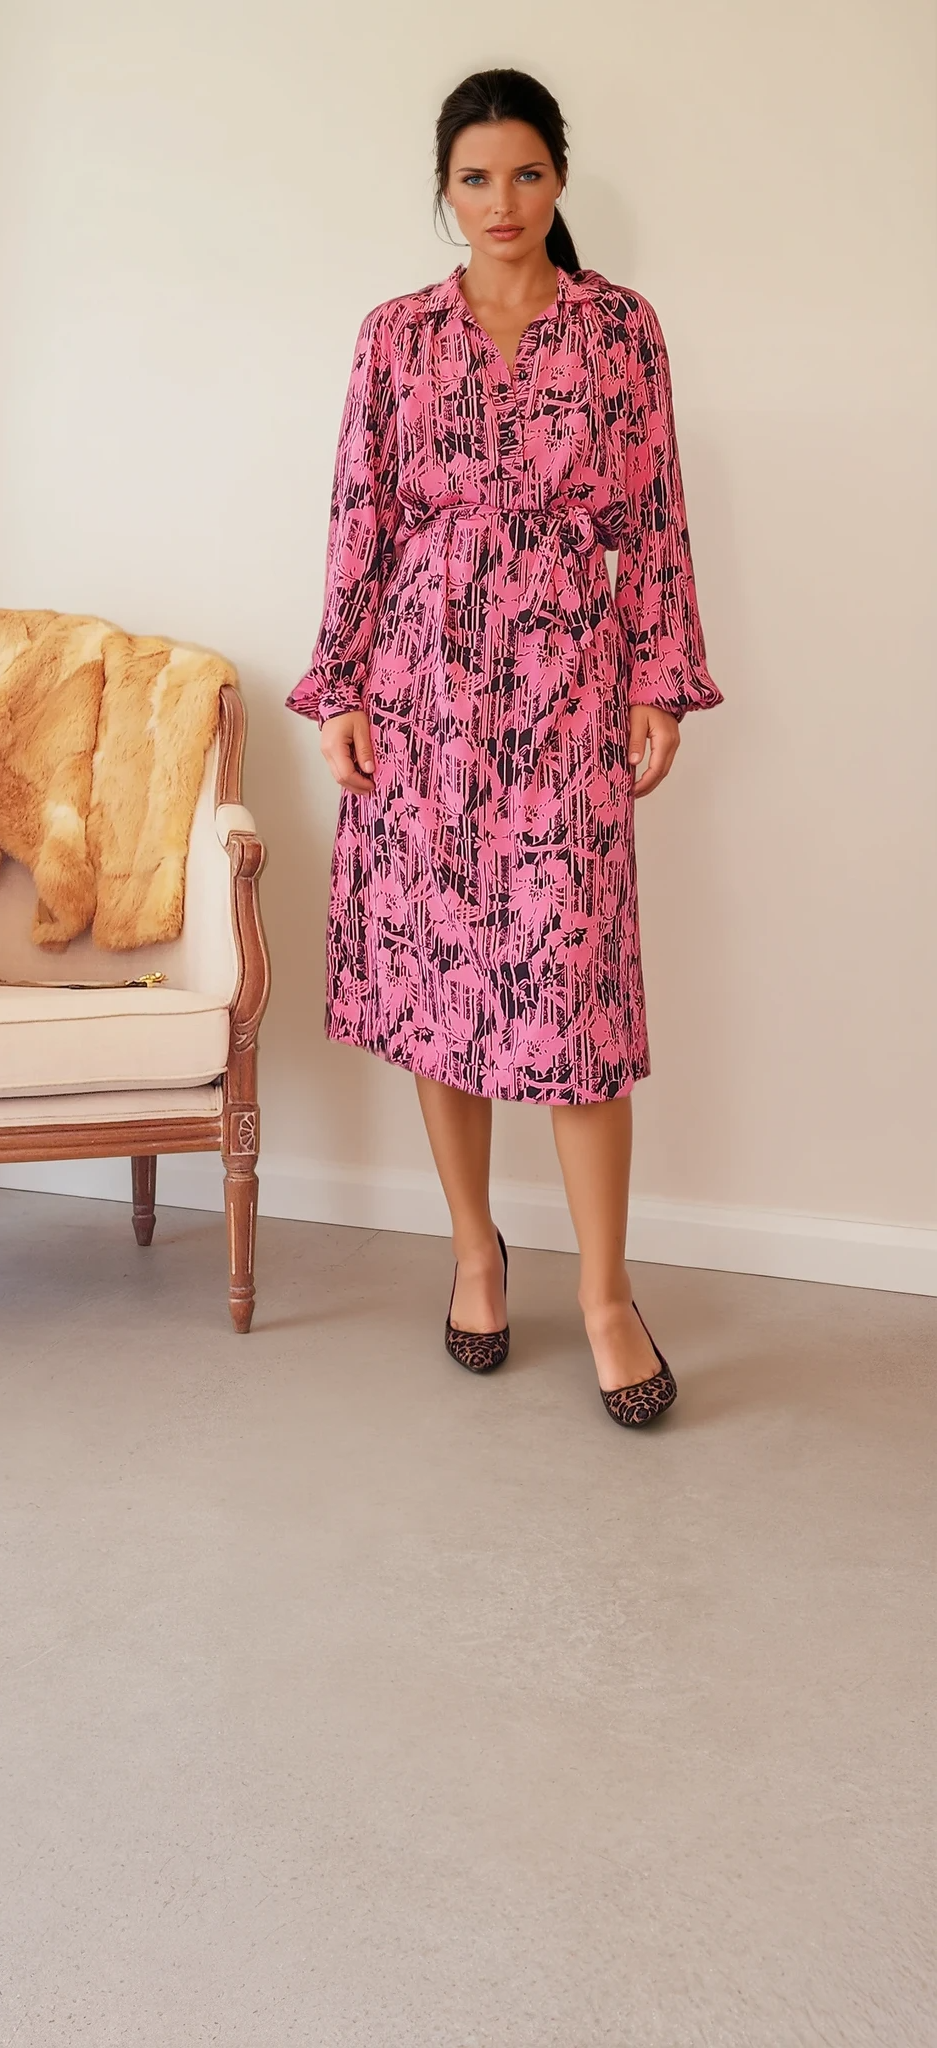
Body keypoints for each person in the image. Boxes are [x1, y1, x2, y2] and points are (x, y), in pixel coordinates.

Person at [286, 67, 723, 1427]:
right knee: (440, 985)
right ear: (444, 189)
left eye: (525, 173)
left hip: (565, 693)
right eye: (475, 178)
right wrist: (341, 683)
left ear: (559, 180)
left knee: (574, 999)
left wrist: (658, 679)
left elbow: (655, 516)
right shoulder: (395, 335)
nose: (502, 201)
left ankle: (605, 1297)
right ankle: (475, 1254)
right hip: (420, 697)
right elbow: (358, 513)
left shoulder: (620, 329)